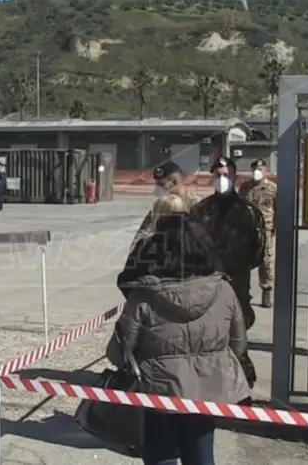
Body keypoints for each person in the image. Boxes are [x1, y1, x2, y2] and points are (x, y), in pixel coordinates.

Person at [108, 213, 251, 465]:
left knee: (160, 454)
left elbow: (119, 353)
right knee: (202, 455)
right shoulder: (223, 289)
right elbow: (238, 344)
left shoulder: (143, 295)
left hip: (158, 392)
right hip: (209, 389)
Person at [189, 155, 264, 387]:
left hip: (237, 283)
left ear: (235, 177)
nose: (222, 179)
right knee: (208, 331)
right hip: (207, 282)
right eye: (218, 175)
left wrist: (237, 268)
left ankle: (241, 382)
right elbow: (191, 245)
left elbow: (258, 252)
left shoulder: (250, 212)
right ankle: (210, 382)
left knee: (238, 331)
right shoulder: (200, 210)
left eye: (226, 174)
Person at [133, 162, 201, 249]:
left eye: (161, 185)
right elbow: (142, 235)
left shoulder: (197, 205)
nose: (158, 189)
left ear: (173, 182)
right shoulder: (160, 206)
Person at [238, 158, 277, 309]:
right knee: (245, 261)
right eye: (255, 169)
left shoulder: (273, 188)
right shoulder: (245, 187)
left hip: (265, 228)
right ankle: (244, 292)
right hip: (248, 228)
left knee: (266, 260)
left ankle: (266, 290)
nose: (258, 171)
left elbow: (277, 209)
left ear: (265, 170)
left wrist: (275, 227)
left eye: (261, 169)